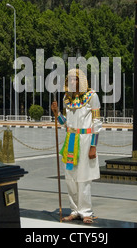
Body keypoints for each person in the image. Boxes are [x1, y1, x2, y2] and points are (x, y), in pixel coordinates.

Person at [51, 68, 102, 224]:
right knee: (70, 178)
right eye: (70, 79)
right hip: (71, 139)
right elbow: (65, 124)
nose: (72, 82)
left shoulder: (92, 96)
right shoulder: (67, 98)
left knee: (84, 177)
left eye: (75, 79)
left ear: (82, 81)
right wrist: (57, 113)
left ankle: (86, 211)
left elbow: (97, 123)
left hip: (86, 140)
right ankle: (74, 210)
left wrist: (93, 146)